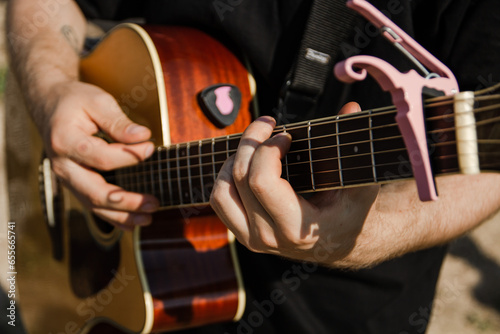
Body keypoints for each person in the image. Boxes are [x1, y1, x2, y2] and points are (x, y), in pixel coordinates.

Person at [6, 0, 500, 333]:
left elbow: (487, 162)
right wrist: (50, 89)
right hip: (123, 292)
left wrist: (372, 232)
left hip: (337, 310)